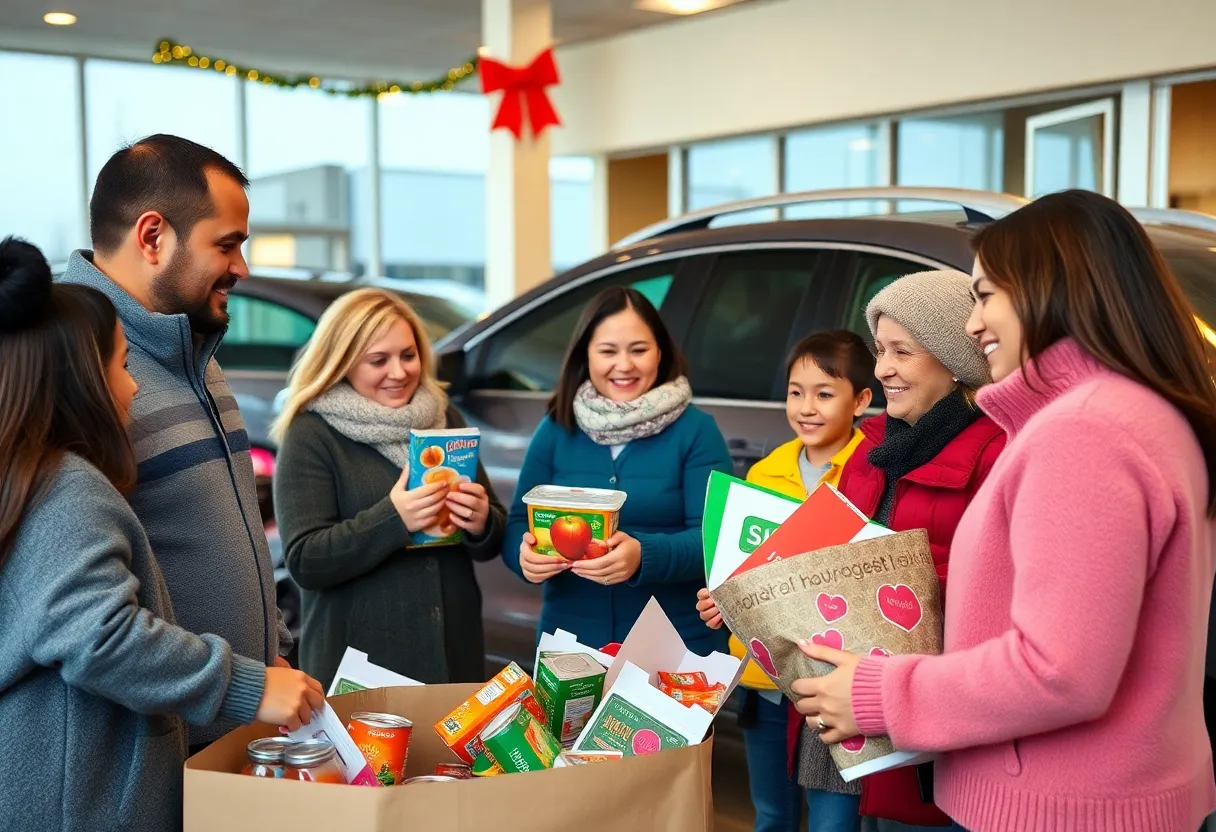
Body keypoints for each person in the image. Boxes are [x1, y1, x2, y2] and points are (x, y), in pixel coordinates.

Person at [794, 190, 1216, 832]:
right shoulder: (1141, 414)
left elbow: (1060, 671)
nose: (972, 323)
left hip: (1061, 804)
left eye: (987, 295)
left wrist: (881, 694)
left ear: (1054, 289)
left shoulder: (1085, 432)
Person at [0, 238, 324, 832]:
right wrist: (246, 686)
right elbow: (102, 637)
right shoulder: (67, 489)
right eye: (122, 366)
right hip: (80, 804)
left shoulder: (27, 479)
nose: (135, 387)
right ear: (81, 382)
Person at [60, 134, 292, 753]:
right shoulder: (71, 370)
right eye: (228, 244)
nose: (241, 268)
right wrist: (247, 685)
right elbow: (82, 620)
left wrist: (275, 653)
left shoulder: (191, 348)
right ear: (153, 235)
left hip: (233, 735)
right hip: (141, 759)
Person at [801, 271, 1006, 830]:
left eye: (902, 352)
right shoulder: (871, 450)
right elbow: (823, 556)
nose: (883, 368)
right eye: (879, 350)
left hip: (919, 714)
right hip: (843, 704)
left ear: (953, 360)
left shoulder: (996, 454)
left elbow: (989, 592)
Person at [272, 288, 506, 689]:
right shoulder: (312, 433)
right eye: (378, 360)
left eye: (408, 355)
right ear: (342, 363)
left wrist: (483, 520)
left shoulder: (444, 416)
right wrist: (394, 518)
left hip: (453, 651)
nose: (399, 372)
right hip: (362, 664)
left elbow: (489, 542)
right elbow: (305, 561)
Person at [698, 331, 875, 832]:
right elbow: (741, 571)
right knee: (772, 813)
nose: (806, 407)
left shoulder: (870, 472)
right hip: (767, 679)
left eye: (824, 393)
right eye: (796, 392)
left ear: (861, 400)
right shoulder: (764, 472)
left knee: (833, 821)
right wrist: (723, 599)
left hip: (834, 679)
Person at [503, 286, 732, 655]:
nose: (624, 365)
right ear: (586, 355)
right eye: (608, 351)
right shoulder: (557, 429)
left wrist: (643, 554)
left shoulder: (696, 431)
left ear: (661, 351)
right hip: (571, 645)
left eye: (639, 350)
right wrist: (523, 557)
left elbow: (716, 542)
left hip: (676, 647)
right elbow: (518, 523)